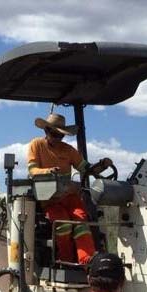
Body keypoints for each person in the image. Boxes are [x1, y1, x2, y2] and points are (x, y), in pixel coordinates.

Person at [27, 112, 113, 265]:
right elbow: (32, 170)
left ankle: (87, 260)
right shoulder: (36, 145)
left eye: (60, 135)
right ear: (46, 131)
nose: (57, 138)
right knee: (63, 223)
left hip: (69, 197)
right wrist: (48, 171)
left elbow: (86, 169)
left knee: (81, 221)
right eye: (54, 134)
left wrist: (102, 165)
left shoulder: (68, 150)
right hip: (49, 199)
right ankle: (66, 262)